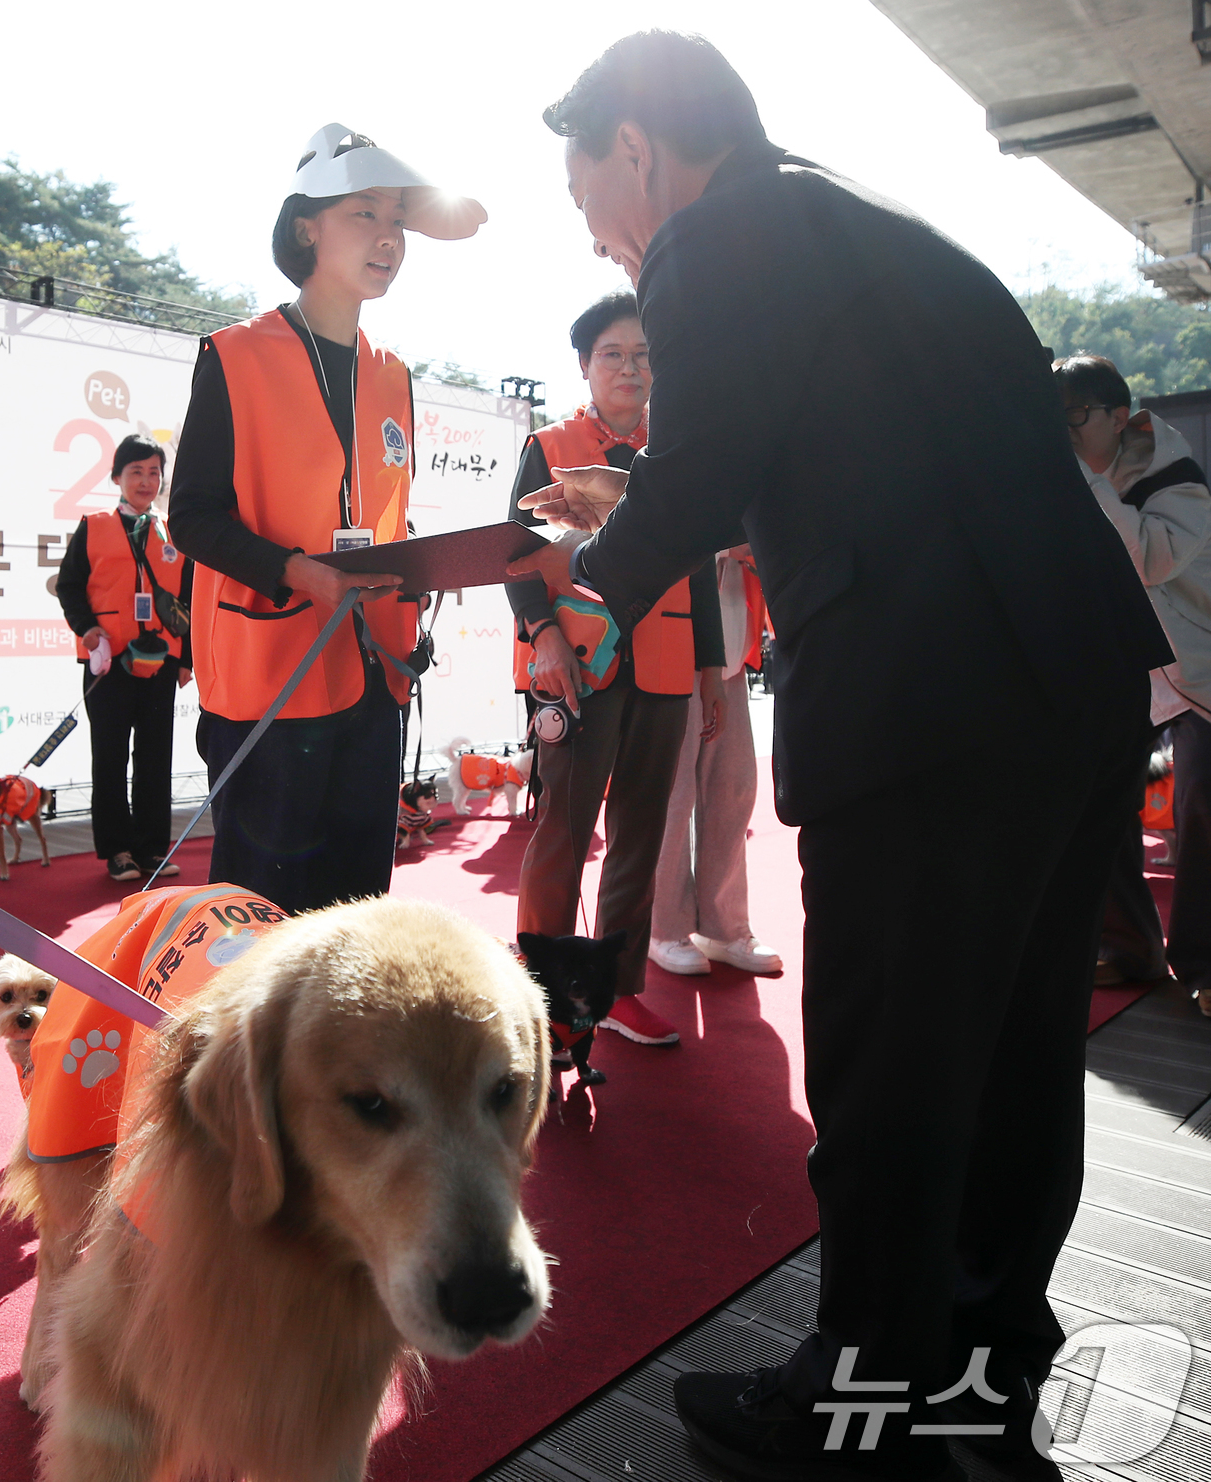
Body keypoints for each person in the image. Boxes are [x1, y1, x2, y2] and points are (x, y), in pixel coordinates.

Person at [508, 32, 1172, 1482]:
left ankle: (855, 1393)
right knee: (1011, 1048)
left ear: (639, 146)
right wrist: (648, 493)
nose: (606, 236)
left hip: (929, 698)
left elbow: (703, 477)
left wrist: (580, 599)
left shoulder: (716, 232)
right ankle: (987, 1365)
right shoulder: (862, 224)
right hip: (1065, 673)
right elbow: (837, 456)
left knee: (889, 1063)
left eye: (589, 196)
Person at [168, 125, 484, 912]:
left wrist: (442, 568)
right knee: (260, 916)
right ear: (307, 225)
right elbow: (194, 519)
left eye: (397, 221)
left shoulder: (394, 374)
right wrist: (293, 572)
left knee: (355, 912)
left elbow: (387, 518)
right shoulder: (235, 355)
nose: (388, 238)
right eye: (363, 215)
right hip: (270, 679)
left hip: (375, 671)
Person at [507, 292, 725, 1047]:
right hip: (578, 663)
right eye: (613, 354)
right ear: (584, 365)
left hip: (665, 665)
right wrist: (543, 635)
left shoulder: (678, 451)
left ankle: (615, 990)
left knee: (640, 834)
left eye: (643, 355)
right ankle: (536, 995)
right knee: (561, 834)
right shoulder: (551, 440)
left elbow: (697, 568)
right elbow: (513, 553)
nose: (630, 368)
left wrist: (709, 670)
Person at [1056, 354, 1211, 1018]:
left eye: (1076, 420)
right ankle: (1130, 947)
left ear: (1120, 418)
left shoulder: (1169, 467)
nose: (1064, 437)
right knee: (1097, 802)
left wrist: (1086, 492)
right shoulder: (1073, 473)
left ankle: (1204, 962)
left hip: (1196, 664)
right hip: (1126, 667)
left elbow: (1151, 557)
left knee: (1202, 803)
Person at [56, 433, 193, 883]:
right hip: (108, 659)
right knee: (110, 756)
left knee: (156, 756)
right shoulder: (93, 525)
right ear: (116, 476)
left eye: (154, 472)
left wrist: (186, 659)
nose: (146, 480)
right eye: (136, 471)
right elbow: (71, 586)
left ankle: (153, 848)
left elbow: (188, 599)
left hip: (160, 660)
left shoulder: (173, 532)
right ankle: (118, 850)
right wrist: (86, 628)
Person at [649, 542, 783, 977]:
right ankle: (662, 926)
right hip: (667, 638)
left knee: (734, 787)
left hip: (730, 641)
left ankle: (725, 926)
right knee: (674, 793)